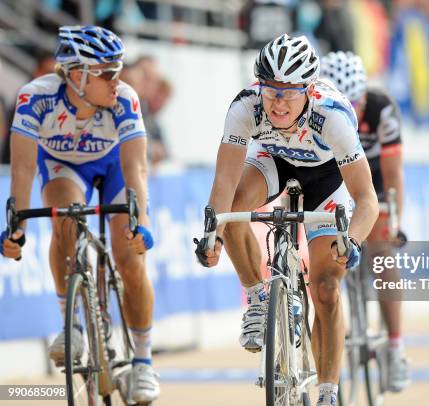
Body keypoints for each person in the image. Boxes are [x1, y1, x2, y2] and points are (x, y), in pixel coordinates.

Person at [195, 34, 378, 406]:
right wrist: (212, 233)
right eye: (272, 90)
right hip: (274, 160)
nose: (279, 102)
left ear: (309, 89)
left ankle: (328, 390)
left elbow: (366, 199)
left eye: (290, 92)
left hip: (326, 175)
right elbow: (224, 183)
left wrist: (354, 241)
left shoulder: (333, 116)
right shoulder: (246, 106)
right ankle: (258, 298)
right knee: (232, 210)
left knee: (326, 287)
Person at [0, 25, 160, 403]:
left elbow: (137, 169)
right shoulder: (34, 98)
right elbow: (22, 170)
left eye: (117, 69)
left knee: (129, 257)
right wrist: (15, 225)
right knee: (65, 221)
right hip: (64, 166)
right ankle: (72, 326)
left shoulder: (124, 98)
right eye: (106, 72)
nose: (116, 79)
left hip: (116, 165)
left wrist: (143, 221)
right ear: (76, 75)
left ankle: (143, 361)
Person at [320, 50, 411, 392]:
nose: (352, 111)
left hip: (372, 174)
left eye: (355, 103)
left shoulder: (381, 108)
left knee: (382, 251)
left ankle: (396, 345)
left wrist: (394, 216)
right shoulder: (318, 110)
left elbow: (393, 173)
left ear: (364, 96)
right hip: (336, 175)